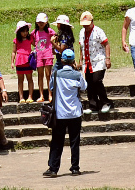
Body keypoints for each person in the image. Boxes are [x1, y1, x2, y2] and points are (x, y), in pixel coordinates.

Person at [43, 48, 87, 177]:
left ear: (62, 60)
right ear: (73, 61)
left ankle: (53, 168)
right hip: (75, 113)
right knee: (74, 141)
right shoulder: (77, 75)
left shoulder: (55, 74)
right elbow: (84, 87)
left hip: (60, 113)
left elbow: (51, 87)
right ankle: (75, 167)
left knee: (57, 141)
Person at [79, 10, 112, 115]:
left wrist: (107, 58)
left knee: (97, 80)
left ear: (92, 22)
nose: (86, 27)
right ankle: (93, 105)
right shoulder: (81, 32)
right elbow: (81, 47)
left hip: (99, 61)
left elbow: (106, 44)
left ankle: (105, 102)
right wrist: (80, 61)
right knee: (89, 83)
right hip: (87, 62)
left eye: (87, 25)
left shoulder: (98, 31)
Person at [33, 13, 56, 102]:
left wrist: (53, 47)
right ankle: (41, 95)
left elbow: (55, 37)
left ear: (46, 22)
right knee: (40, 75)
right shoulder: (34, 32)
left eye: (42, 22)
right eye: (39, 22)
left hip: (48, 55)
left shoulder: (49, 31)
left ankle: (50, 94)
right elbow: (32, 40)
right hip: (39, 56)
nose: (41, 23)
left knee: (48, 75)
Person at [13, 21, 36, 102]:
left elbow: (36, 45)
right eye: (23, 31)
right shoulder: (16, 40)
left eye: (26, 31)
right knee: (20, 80)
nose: (25, 33)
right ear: (19, 32)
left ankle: (30, 96)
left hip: (28, 60)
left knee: (30, 79)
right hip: (19, 61)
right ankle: (21, 97)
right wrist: (12, 62)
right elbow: (13, 51)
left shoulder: (30, 39)